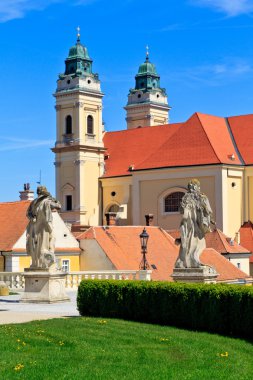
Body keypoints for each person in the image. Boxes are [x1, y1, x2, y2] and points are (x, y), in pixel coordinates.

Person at [175, 179, 215, 268]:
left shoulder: (185, 197)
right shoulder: (202, 197)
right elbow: (208, 211)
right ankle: (192, 261)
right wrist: (209, 220)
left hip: (187, 226)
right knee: (199, 243)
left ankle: (185, 261)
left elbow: (182, 212)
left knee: (188, 244)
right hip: (195, 227)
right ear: (196, 187)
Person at [26, 186, 61, 269]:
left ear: (38, 193)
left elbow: (28, 213)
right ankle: (43, 263)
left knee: (37, 244)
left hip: (34, 227)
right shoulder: (47, 201)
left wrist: (33, 218)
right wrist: (54, 199)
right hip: (45, 226)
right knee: (47, 243)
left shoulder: (33, 202)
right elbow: (59, 206)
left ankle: (37, 263)